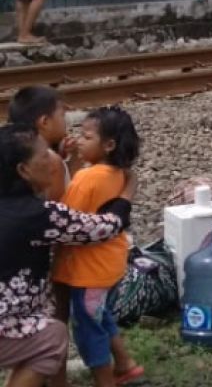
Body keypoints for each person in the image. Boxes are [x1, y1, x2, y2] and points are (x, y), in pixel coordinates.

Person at [0, 125, 135, 387]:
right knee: (53, 336)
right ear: (23, 170)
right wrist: (129, 189)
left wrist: (66, 160)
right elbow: (106, 226)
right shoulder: (37, 216)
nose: (52, 162)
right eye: (44, 156)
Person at [51, 108, 143, 387]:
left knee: (89, 329)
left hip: (88, 272)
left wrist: (67, 167)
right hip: (106, 266)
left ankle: (106, 381)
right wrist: (77, 162)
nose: (78, 140)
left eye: (86, 136)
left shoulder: (88, 178)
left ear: (109, 144)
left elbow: (65, 215)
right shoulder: (114, 173)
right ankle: (125, 365)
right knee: (99, 316)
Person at [7, 86, 74, 202]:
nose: (65, 121)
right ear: (45, 122)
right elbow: (60, 208)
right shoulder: (51, 160)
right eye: (62, 115)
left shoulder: (14, 149)